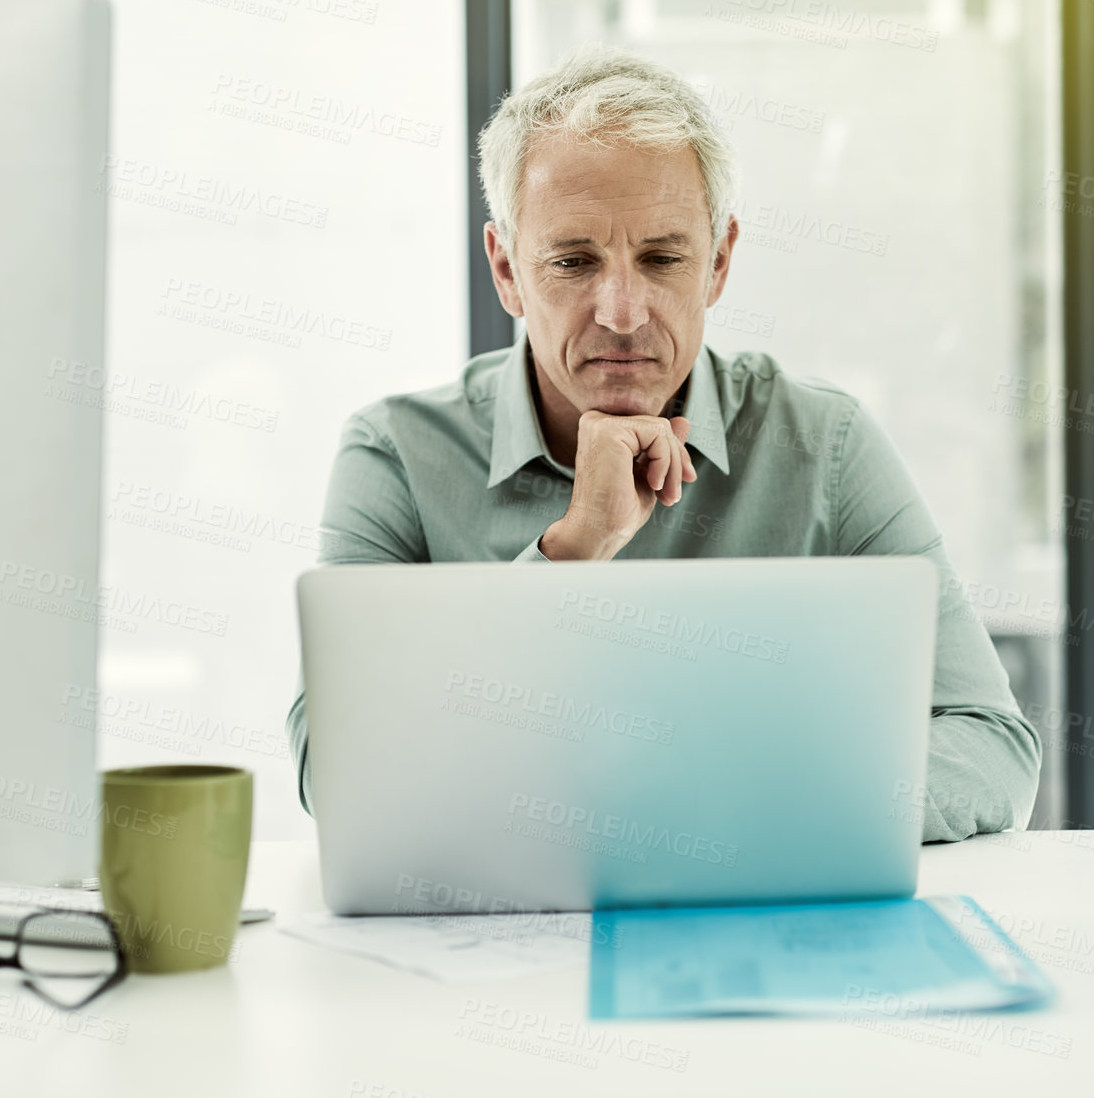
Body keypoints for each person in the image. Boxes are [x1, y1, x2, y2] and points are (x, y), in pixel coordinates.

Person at [285, 45, 1040, 842]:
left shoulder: (826, 445)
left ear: (717, 263)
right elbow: (333, 766)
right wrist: (573, 549)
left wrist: (715, 810)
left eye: (662, 258)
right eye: (573, 261)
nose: (620, 310)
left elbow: (990, 746)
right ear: (506, 270)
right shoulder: (395, 454)